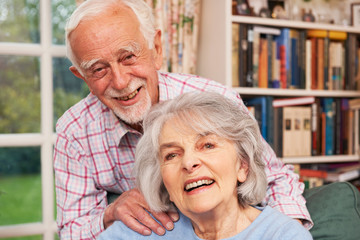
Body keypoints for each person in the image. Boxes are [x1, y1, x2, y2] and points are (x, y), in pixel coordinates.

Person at [54, 0, 312, 239]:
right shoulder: (74, 131)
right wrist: (110, 213)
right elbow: (72, 229)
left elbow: (275, 178)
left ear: (156, 48)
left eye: (129, 57)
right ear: (81, 76)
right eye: (98, 69)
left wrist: (281, 232)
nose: (120, 82)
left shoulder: (214, 99)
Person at [98, 92, 313, 240]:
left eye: (208, 145)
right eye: (171, 155)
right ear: (163, 182)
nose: (189, 163)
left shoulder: (283, 235)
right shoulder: (139, 232)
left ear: (242, 167)